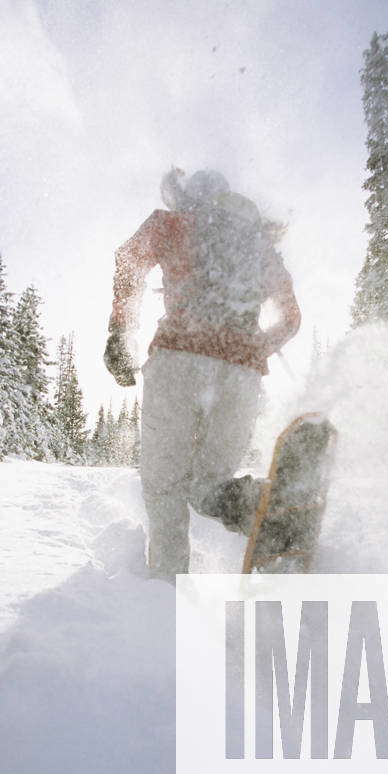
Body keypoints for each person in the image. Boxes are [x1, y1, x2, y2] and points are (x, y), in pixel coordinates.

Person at [104, 167, 301, 580]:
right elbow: (291, 318)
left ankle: (166, 586)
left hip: (178, 360)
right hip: (241, 375)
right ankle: (270, 511)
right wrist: (254, 349)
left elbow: (128, 261)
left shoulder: (171, 222)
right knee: (210, 485)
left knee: (165, 484)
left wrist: (120, 333)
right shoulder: (258, 243)